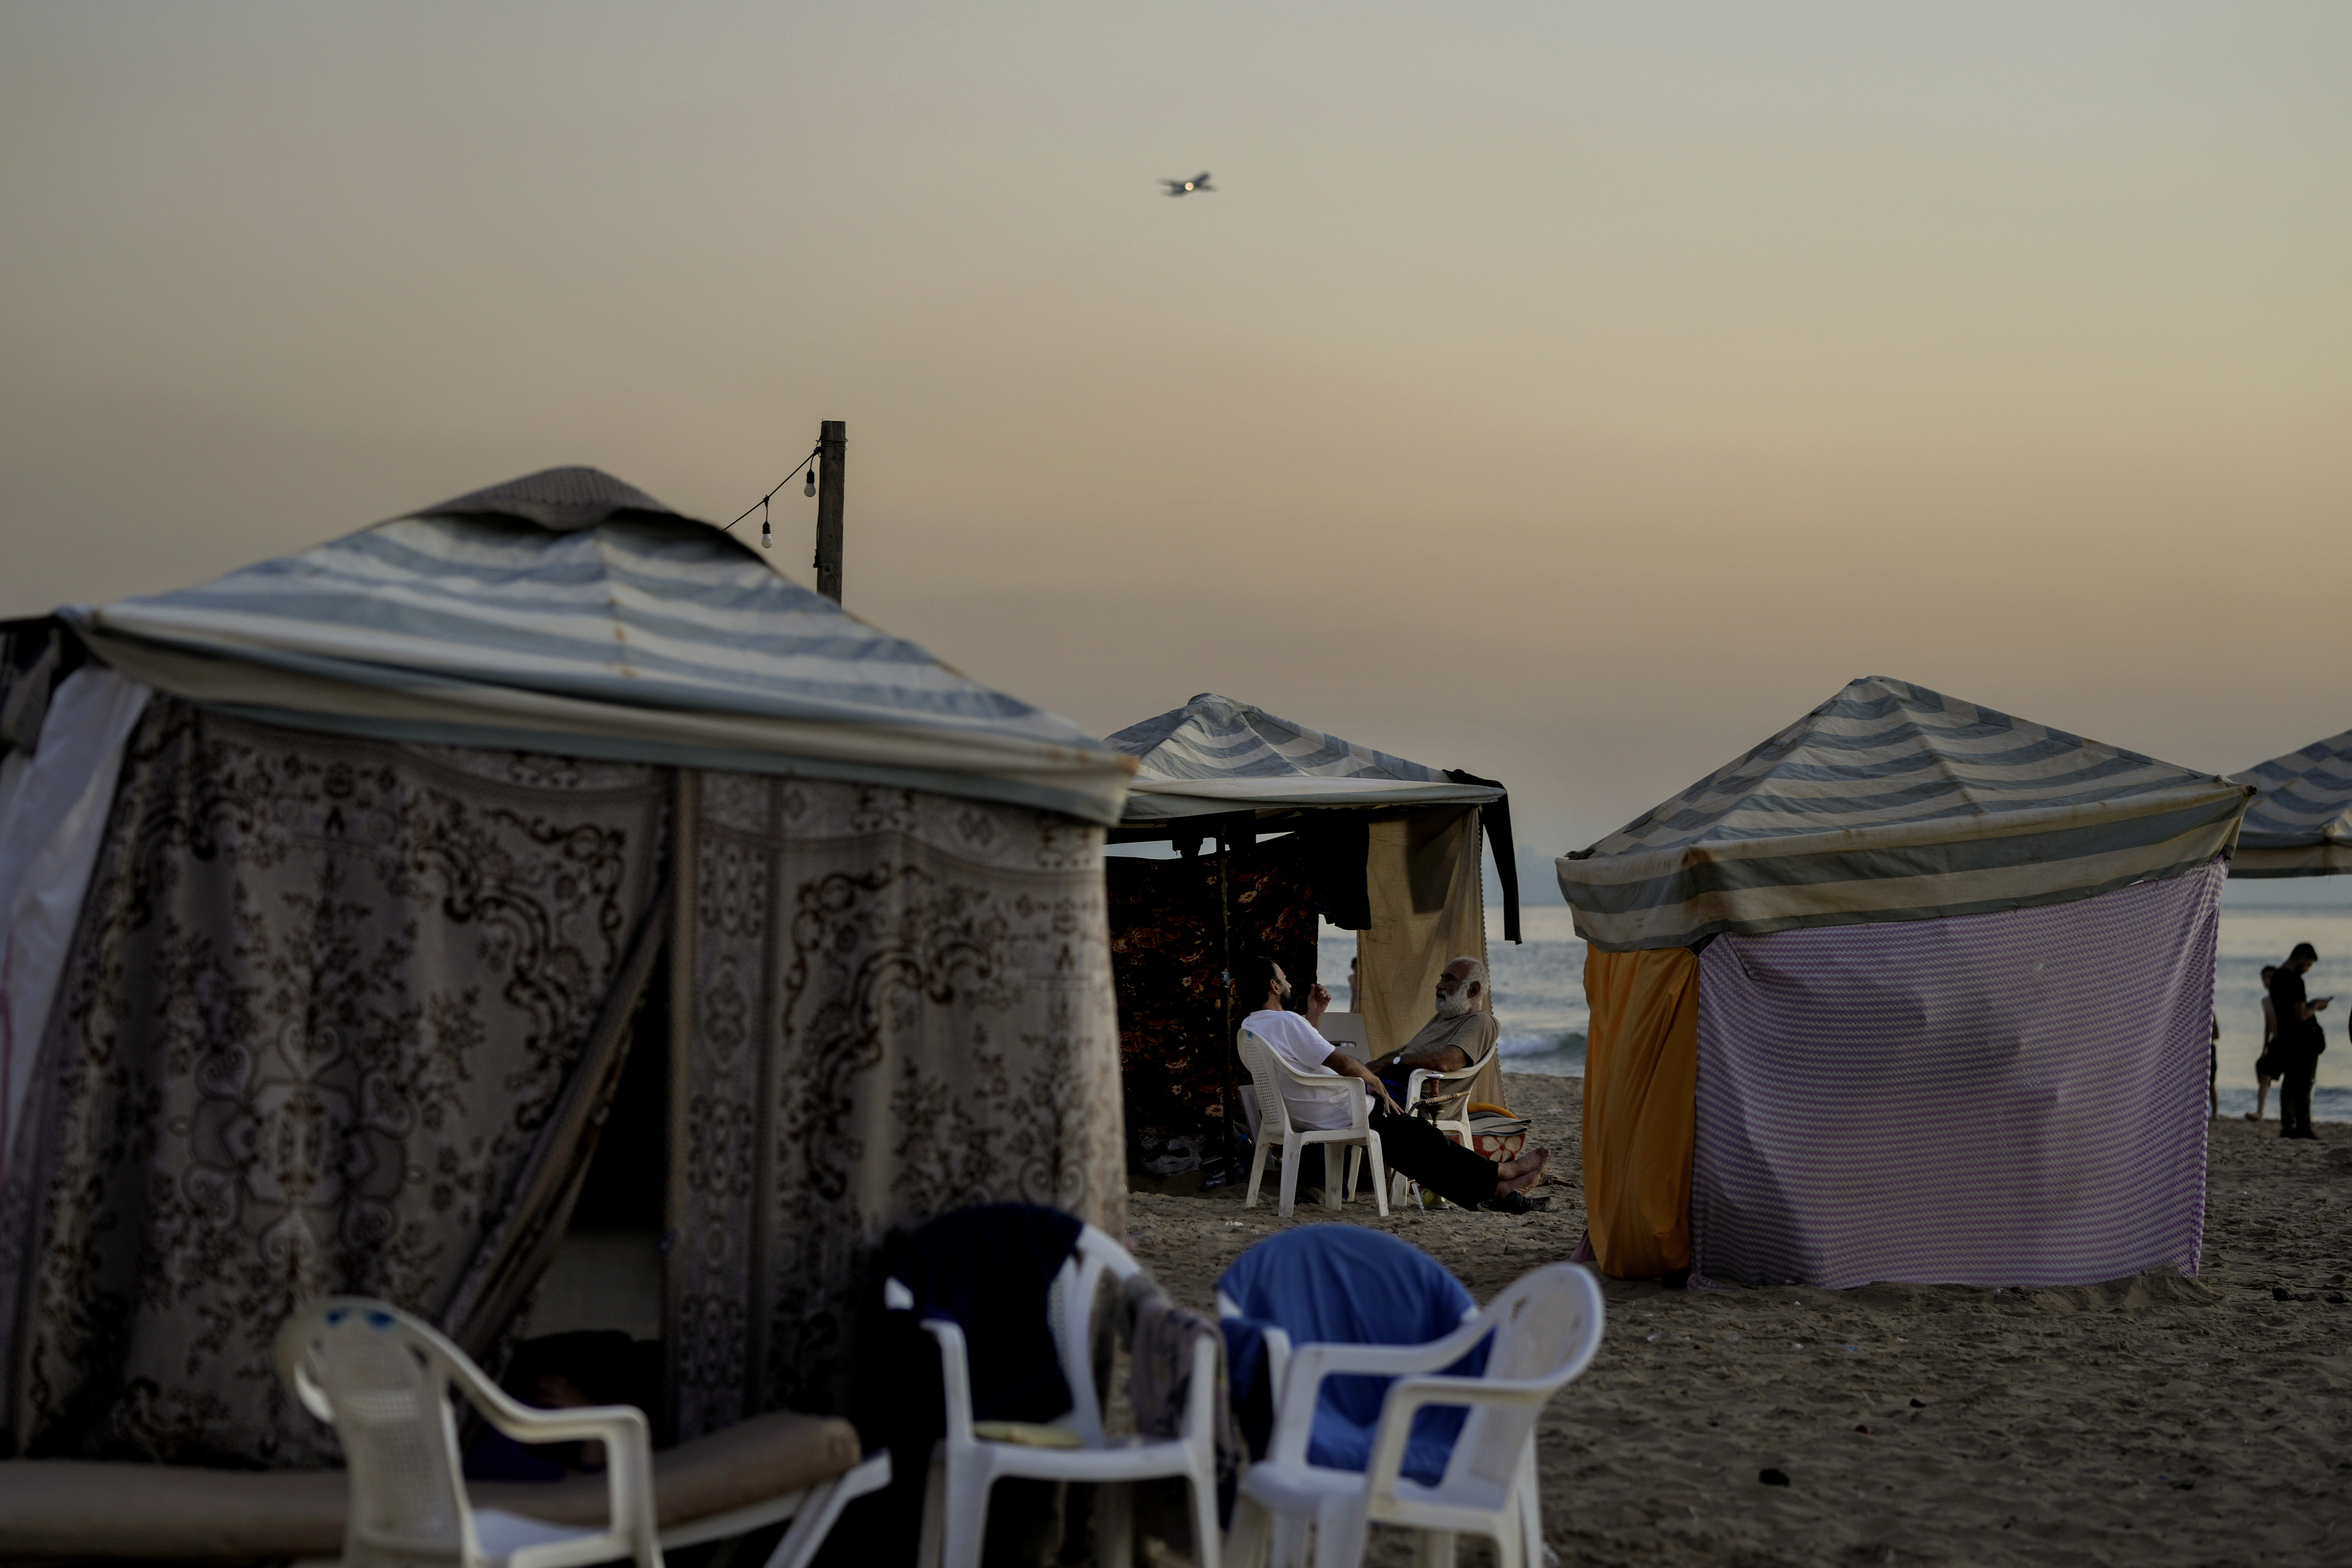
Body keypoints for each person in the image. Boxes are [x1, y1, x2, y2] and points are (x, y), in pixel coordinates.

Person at [1235, 954, 1549, 1212]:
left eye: (1448, 979)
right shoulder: (1286, 1022)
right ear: (1275, 987)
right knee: (1419, 1141)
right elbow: (1341, 1061)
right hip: (1341, 1106)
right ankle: (1500, 1177)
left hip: (1312, 1111)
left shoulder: (1251, 1027)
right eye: (1285, 979)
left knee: (1412, 1146)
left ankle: (1496, 1187)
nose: (1290, 983)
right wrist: (1372, 1078)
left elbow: (1302, 1053)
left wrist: (1318, 1020)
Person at [1364, 956, 1502, 1105]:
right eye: (1442, 979)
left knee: (1344, 1093)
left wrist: (1394, 1062)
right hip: (1392, 1087)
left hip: (1413, 1098)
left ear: (1473, 990)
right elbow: (1409, 1049)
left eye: (1450, 980)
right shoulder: (1444, 1017)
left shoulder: (1482, 1020)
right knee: (1343, 1078)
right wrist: (1377, 1066)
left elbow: (1448, 1062)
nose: (1439, 986)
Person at [2266, 944, 2328, 1140]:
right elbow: (2301, 1015)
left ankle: (2287, 1125)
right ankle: (2303, 1126)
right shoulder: (2295, 981)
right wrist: (2316, 1006)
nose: (2308, 969)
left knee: (2290, 1082)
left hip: (2286, 1037)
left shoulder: (2276, 978)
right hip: (2303, 1040)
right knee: (2304, 1084)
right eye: (2308, 965)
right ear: (2301, 958)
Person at [2247, 964, 2279, 1122]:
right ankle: (2260, 1112)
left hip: (2290, 1043)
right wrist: (2265, 1048)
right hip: (2275, 1042)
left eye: (2271, 978)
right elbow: (2268, 1025)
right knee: (2265, 1075)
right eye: (2265, 978)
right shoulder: (2266, 1001)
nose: (2268, 981)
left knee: (2295, 1079)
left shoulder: (2285, 997)